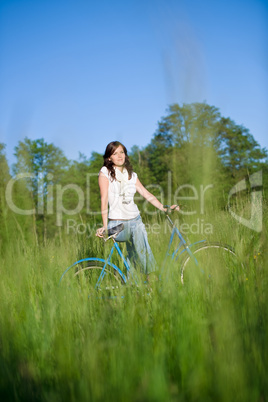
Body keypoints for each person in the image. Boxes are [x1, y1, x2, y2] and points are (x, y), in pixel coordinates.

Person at [96, 141, 179, 276]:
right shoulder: (105, 172)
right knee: (138, 234)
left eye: (121, 152)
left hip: (135, 219)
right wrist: (105, 227)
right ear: (109, 157)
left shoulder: (131, 175)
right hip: (118, 224)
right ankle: (152, 276)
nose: (119, 156)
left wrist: (164, 208)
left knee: (134, 254)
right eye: (115, 153)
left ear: (125, 154)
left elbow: (146, 194)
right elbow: (104, 199)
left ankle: (134, 288)